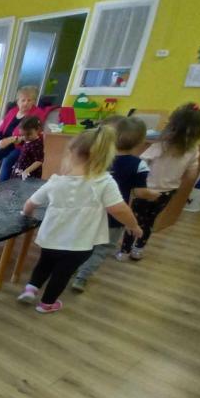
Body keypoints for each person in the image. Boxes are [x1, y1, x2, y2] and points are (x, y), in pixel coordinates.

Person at [17, 126, 143, 313]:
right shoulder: (104, 182)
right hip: (80, 244)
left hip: (51, 237)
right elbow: (119, 208)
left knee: (44, 263)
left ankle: (31, 289)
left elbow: (30, 203)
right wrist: (133, 226)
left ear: (70, 154)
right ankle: (46, 304)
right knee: (62, 273)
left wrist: (26, 215)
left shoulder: (56, 181)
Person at [72, 117, 154, 291]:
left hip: (88, 211)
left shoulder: (98, 157)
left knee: (83, 243)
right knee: (102, 248)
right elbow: (140, 193)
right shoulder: (139, 164)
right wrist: (153, 194)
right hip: (114, 216)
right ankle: (81, 277)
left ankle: (71, 269)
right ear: (140, 142)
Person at [118, 102, 200, 261]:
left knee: (134, 221)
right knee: (149, 221)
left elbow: (142, 161)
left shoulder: (162, 145)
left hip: (146, 190)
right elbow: (192, 174)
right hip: (167, 192)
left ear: (173, 124)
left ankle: (124, 251)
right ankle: (138, 250)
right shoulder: (193, 149)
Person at [0, 86, 46, 183]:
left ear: (34, 101)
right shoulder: (12, 111)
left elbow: (34, 134)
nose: (26, 103)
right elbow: (2, 126)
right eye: (23, 100)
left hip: (23, 146)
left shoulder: (37, 113)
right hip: (6, 143)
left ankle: (3, 188)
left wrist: (15, 139)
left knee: (7, 160)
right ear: (18, 101)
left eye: (29, 100)